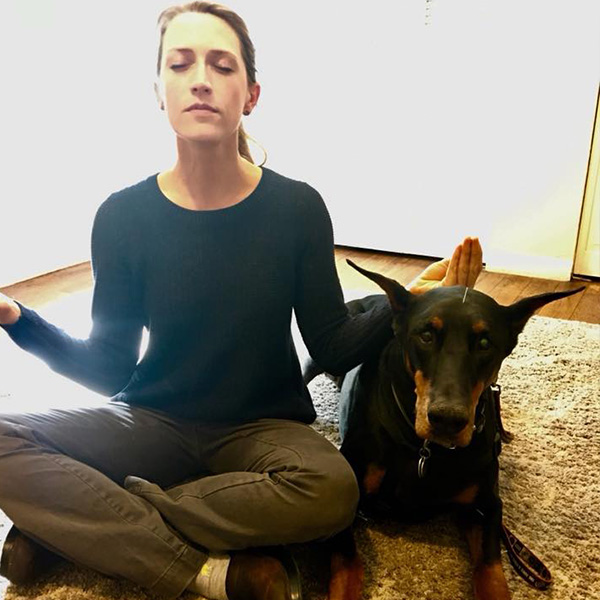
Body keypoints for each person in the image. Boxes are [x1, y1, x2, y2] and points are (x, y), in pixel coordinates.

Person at [0, 3, 482, 600]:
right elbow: (109, 366)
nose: (200, 78)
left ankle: (79, 521)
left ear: (250, 93)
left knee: (333, 492)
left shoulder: (297, 208)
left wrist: (409, 301)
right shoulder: (121, 217)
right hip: (153, 420)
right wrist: (17, 320)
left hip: (264, 429)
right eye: (180, 63)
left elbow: (331, 343)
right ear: (158, 90)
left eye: (221, 65)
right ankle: (208, 572)